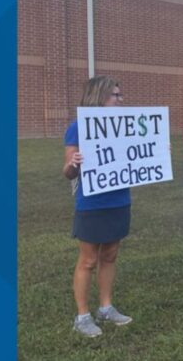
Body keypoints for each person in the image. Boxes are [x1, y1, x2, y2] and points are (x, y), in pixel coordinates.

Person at [64, 76, 134, 337]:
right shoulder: (77, 128)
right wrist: (74, 163)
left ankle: (106, 308)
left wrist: (157, 151)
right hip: (92, 202)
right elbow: (68, 173)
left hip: (119, 199)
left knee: (111, 254)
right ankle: (82, 316)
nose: (120, 99)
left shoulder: (125, 126)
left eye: (120, 94)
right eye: (115, 95)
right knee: (88, 260)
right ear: (98, 96)